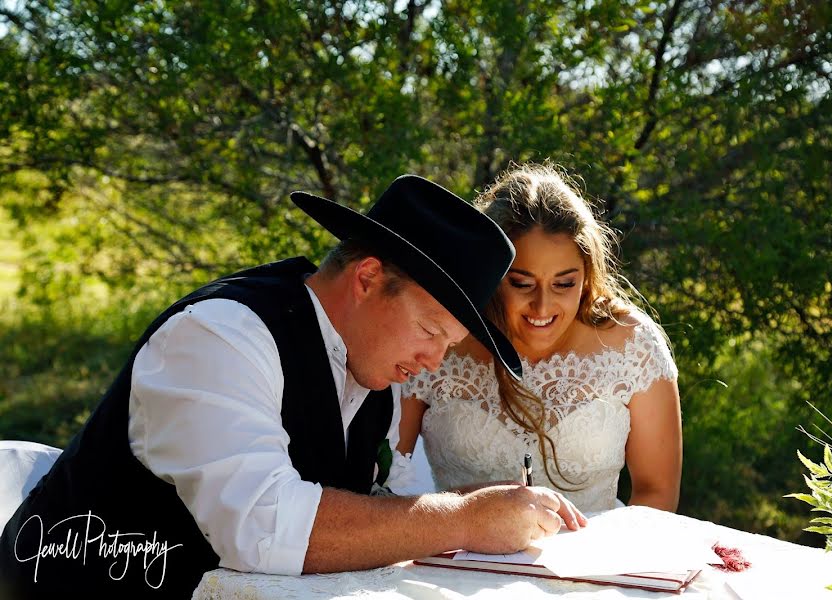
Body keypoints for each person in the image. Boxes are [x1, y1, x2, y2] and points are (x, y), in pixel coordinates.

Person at [0, 175, 585, 599]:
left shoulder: (374, 368)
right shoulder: (220, 337)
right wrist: (462, 517)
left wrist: (481, 507)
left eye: (448, 343)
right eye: (430, 330)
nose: (433, 360)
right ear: (367, 278)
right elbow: (262, 528)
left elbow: (374, 505)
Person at [394, 163, 682, 513]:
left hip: (592, 561)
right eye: (521, 283)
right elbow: (387, 478)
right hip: (451, 559)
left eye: (564, 284)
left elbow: (657, 493)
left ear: (588, 275)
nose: (543, 306)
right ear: (490, 274)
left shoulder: (632, 345)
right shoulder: (440, 335)